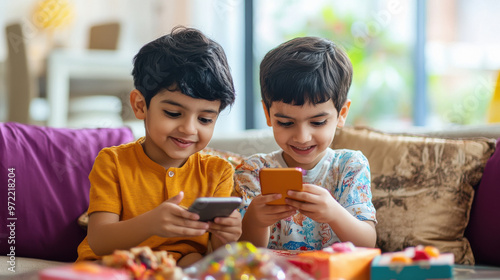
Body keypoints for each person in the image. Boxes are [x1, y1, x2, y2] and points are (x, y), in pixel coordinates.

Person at [76, 26, 241, 267]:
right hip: (113, 265)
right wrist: (151, 223)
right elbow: (99, 240)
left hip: (179, 265)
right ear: (140, 105)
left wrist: (228, 237)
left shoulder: (218, 172)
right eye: (173, 113)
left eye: (205, 119)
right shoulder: (113, 161)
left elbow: (218, 255)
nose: (189, 129)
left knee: (197, 262)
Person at [235, 36, 377, 250]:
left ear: (342, 114)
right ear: (267, 113)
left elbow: (368, 244)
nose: (302, 137)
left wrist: (334, 213)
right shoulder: (254, 171)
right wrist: (255, 221)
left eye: (318, 122)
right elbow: (242, 255)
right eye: (285, 122)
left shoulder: (349, 166)